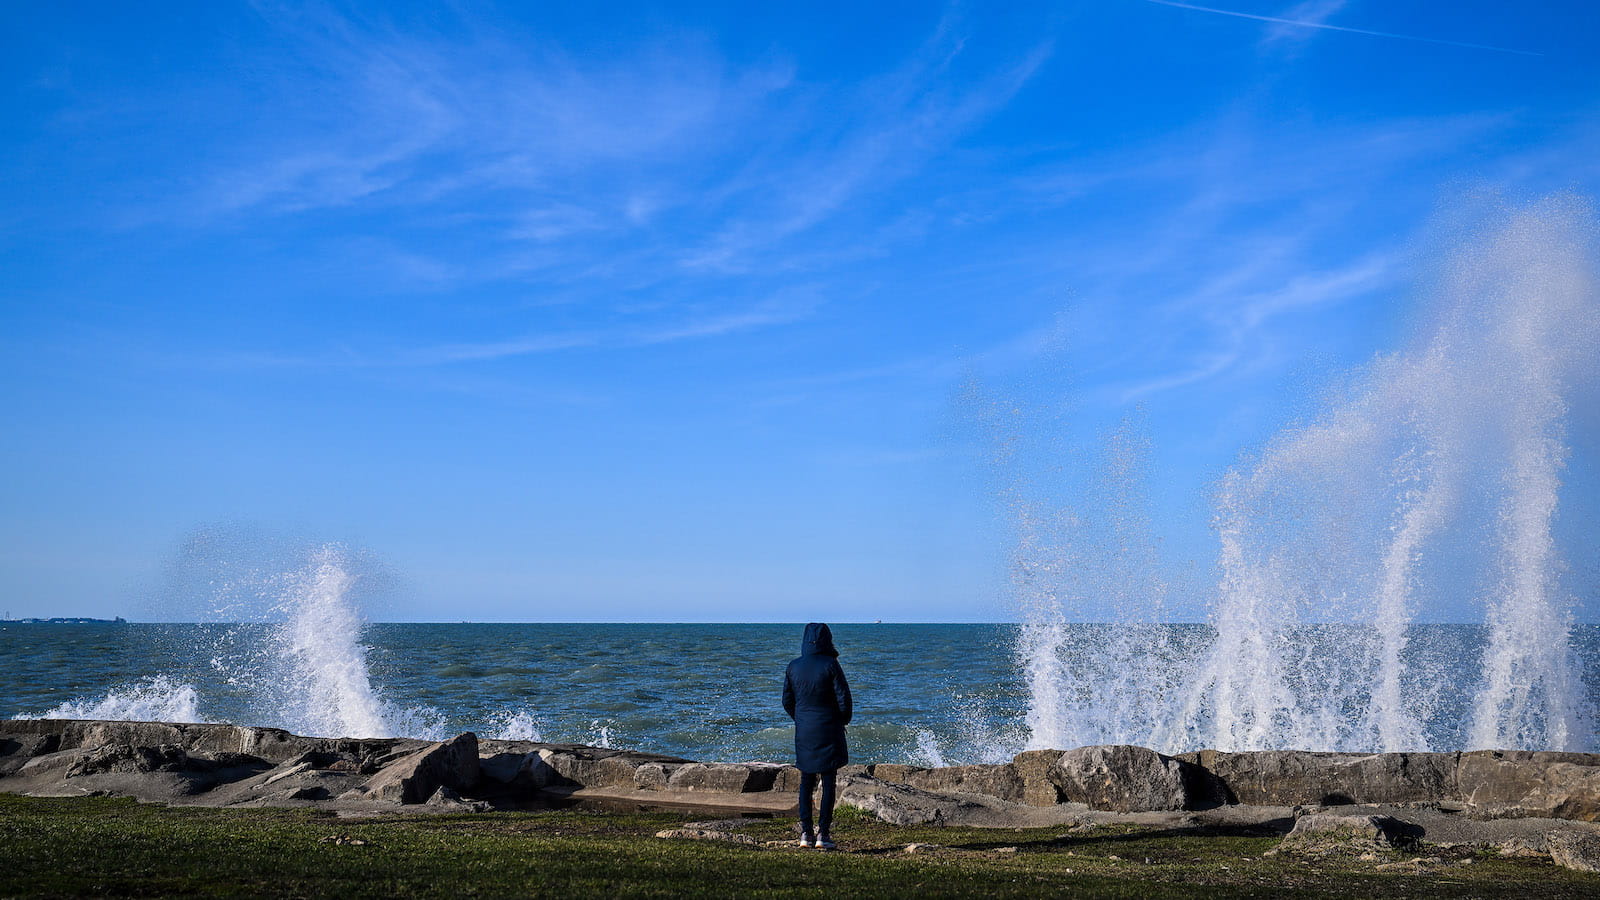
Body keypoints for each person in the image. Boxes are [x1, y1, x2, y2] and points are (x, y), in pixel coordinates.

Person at [782, 622, 852, 850]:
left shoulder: (793, 666)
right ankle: (823, 832)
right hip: (828, 727)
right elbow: (844, 700)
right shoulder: (831, 664)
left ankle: (805, 832)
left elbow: (787, 701)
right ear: (827, 639)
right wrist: (842, 720)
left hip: (804, 729)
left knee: (805, 779)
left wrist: (801, 719)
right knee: (829, 780)